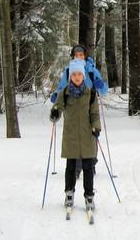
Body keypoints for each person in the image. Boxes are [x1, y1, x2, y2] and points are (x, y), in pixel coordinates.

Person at [50, 59, 101, 210]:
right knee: (70, 167)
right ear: (70, 76)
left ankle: (89, 196)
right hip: (71, 136)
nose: (77, 77)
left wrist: (96, 127)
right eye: (74, 74)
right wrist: (54, 113)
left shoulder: (90, 94)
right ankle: (69, 194)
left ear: (84, 76)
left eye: (80, 74)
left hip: (87, 136)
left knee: (88, 168)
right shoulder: (64, 93)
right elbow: (57, 108)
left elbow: (95, 114)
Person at [50, 44, 107, 177]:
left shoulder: (92, 70)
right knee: (75, 136)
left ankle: (91, 163)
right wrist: (56, 94)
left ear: (85, 56)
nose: (79, 57)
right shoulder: (70, 70)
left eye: (81, 55)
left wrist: (101, 85)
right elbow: (63, 86)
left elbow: (103, 90)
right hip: (73, 106)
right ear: (73, 56)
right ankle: (76, 166)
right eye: (77, 55)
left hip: (88, 105)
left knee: (90, 137)